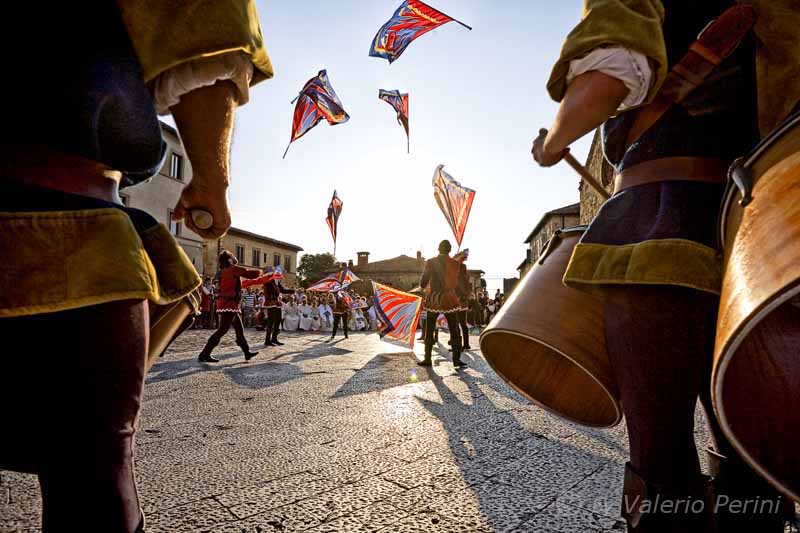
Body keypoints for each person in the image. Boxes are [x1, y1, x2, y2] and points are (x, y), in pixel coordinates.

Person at [0, 3, 273, 530]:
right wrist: (211, 181)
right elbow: (206, 30)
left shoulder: (239, 272)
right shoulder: (233, 271)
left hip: (66, 224)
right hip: (67, 233)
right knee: (93, 470)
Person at [533, 1, 794, 530]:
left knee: (662, 463)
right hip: (774, 230)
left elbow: (612, 63)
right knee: (750, 452)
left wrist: (553, 141)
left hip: (662, 227)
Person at [197, 251, 261, 363]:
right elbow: (250, 273)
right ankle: (204, 354)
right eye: (232, 256)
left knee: (239, 330)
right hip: (229, 304)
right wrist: (263, 271)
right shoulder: (233, 268)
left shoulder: (221, 272)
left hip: (227, 303)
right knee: (222, 330)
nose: (235, 257)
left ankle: (247, 352)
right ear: (229, 260)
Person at [419, 240, 464, 367]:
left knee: (430, 328)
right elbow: (457, 283)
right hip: (450, 297)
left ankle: (427, 359)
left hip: (434, 297)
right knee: (454, 329)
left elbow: (423, 281)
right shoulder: (456, 264)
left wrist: (423, 286)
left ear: (438, 249)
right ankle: (456, 359)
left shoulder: (431, 262)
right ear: (449, 250)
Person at [243, 267, 294, 346]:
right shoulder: (268, 280)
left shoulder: (277, 282)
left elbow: (283, 290)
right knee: (271, 321)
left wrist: (293, 291)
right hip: (270, 302)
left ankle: (274, 339)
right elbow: (273, 290)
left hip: (277, 303)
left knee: (278, 320)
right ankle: (267, 340)